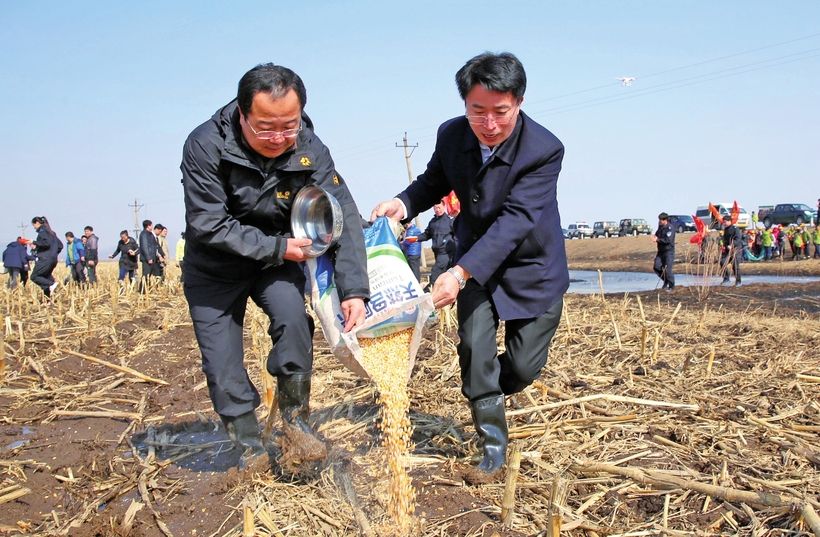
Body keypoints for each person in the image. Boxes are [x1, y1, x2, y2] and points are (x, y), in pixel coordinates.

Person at [371, 52, 568, 483]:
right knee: (475, 349)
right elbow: (432, 181)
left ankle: (488, 389)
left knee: (520, 368)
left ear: (518, 102)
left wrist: (457, 273)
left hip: (532, 268)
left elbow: (515, 221)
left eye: (501, 111)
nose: (489, 123)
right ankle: (493, 449)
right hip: (477, 264)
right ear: (465, 104)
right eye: (478, 111)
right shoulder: (452, 135)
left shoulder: (543, 150)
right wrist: (402, 204)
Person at [180, 63, 369, 467]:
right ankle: (248, 444)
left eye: (289, 126)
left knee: (293, 321)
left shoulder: (309, 147)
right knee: (221, 359)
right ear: (242, 114)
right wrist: (279, 246)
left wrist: (354, 290)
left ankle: (296, 423)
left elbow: (343, 214)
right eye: (265, 127)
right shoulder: (205, 144)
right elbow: (208, 223)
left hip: (276, 260)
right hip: (215, 266)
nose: (279, 138)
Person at [417, 200, 455, 291]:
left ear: (444, 207)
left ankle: (427, 293)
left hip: (446, 253)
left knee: (435, 273)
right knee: (446, 275)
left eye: (439, 208)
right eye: (435, 208)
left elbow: (457, 235)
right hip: (437, 254)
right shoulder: (433, 222)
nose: (437, 210)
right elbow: (427, 234)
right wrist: (416, 238)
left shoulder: (450, 220)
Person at [28, 216, 62, 301]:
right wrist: (53, 254)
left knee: (35, 276)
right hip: (53, 259)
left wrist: (34, 242)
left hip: (44, 258)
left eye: (33, 225)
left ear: (37, 223)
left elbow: (46, 243)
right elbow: (60, 245)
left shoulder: (42, 232)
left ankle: (51, 284)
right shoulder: (52, 233)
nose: (34, 227)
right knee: (45, 277)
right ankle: (47, 301)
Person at [652, 212, 675, 291]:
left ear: (665, 220)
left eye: (661, 220)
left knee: (667, 269)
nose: (660, 221)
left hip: (668, 251)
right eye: (659, 220)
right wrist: (655, 236)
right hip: (660, 252)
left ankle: (671, 286)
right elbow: (657, 233)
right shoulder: (660, 227)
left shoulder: (670, 228)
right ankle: (666, 281)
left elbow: (668, 240)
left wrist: (658, 240)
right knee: (656, 267)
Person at [720, 215, 742, 286]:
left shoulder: (735, 229)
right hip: (727, 249)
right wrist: (724, 246)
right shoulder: (725, 229)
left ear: (729, 221)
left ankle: (738, 281)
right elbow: (725, 240)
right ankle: (726, 278)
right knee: (722, 262)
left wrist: (732, 245)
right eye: (723, 222)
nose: (724, 223)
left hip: (736, 249)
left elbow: (738, 239)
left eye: (725, 222)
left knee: (735, 265)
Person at [138, 220, 160, 289]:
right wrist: (148, 258)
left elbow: (155, 245)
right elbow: (144, 247)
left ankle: (150, 288)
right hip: (147, 259)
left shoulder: (150, 234)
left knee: (155, 274)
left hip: (152, 258)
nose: (152, 226)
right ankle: (142, 289)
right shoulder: (144, 234)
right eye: (151, 225)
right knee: (146, 274)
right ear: (148, 226)